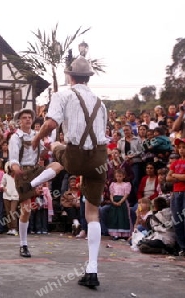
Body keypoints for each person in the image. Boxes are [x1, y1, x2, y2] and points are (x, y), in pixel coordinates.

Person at [29, 55, 109, 287]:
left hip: (75, 155)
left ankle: (32, 184)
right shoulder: (100, 102)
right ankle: (92, 270)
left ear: (69, 76)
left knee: (55, 147)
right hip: (99, 157)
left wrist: (37, 139)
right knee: (92, 214)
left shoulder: (62, 94)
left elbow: (51, 124)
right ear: (88, 77)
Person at [8, 108, 45, 258]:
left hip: (36, 170)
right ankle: (23, 244)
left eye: (30, 117)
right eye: (24, 118)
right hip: (22, 172)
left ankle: (41, 199)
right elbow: (14, 157)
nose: (28, 120)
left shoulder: (37, 135)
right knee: (26, 209)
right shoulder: (15, 137)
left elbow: (44, 149)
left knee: (57, 167)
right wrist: (15, 167)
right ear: (19, 121)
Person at [107, 169, 132, 240]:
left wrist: (120, 202)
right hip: (114, 201)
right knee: (114, 217)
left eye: (120, 176)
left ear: (123, 176)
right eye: (117, 176)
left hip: (122, 202)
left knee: (122, 217)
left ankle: (124, 234)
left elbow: (126, 195)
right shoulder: (113, 184)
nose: (118, 178)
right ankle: (115, 234)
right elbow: (111, 194)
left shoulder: (126, 184)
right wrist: (113, 201)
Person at [0, 161, 19, 236]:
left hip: (15, 196)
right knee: (8, 212)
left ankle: (14, 228)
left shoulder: (19, 176)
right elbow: (2, 183)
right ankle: (10, 228)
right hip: (6, 195)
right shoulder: (5, 175)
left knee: (12, 211)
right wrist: (3, 187)